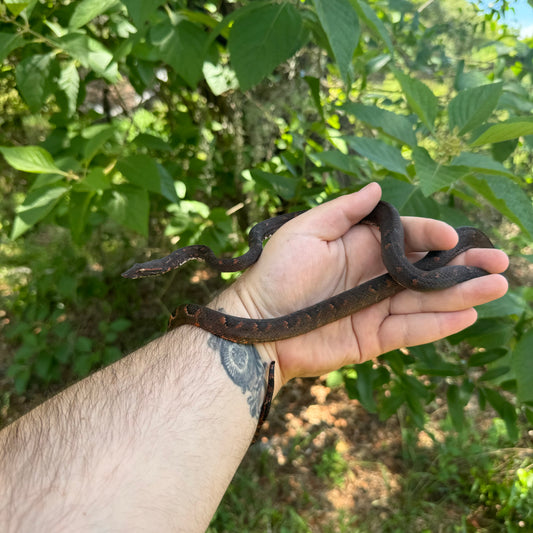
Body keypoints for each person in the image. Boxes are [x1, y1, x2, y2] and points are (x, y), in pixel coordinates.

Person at [0, 183, 509, 532]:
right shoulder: (241, 265)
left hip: (372, 274)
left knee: (461, 266)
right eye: (144, 272)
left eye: (143, 271)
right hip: (263, 319)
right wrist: (251, 313)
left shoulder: (375, 240)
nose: (141, 274)